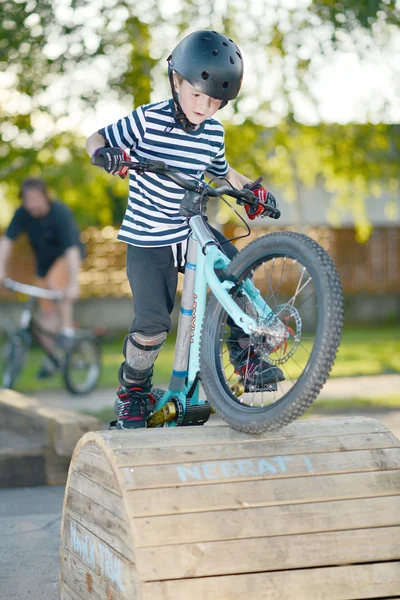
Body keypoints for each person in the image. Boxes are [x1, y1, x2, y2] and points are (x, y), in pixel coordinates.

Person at [86, 29, 283, 430]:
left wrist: (252, 191)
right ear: (176, 81)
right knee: (152, 324)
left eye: (216, 102)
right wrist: (106, 154)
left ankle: (246, 359)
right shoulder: (148, 119)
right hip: (148, 239)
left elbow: (223, 171)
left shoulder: (213, 133)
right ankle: (133, 395)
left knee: (236, 279)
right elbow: (97, 137)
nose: (205, 107)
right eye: (197, 95)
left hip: (193, 231)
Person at [0, 177, 85, 377]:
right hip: (43, 267)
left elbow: (72, 250)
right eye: (27, 200)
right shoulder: (22, 214)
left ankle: (67, 330)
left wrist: (74, 283)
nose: (32, 204)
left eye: (36, 198)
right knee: (45, 321)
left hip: (66, 259)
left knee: (57, 285)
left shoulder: (60, 213)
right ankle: (55, 358)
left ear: (45, 196)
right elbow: (7, 241)